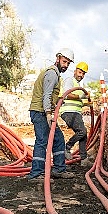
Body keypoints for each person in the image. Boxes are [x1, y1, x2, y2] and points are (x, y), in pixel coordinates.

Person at [27, 48, 76, 180]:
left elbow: (50, 96)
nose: (65, 65)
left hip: (44, 111)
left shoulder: (56, 75)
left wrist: (58, 102)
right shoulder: (52, 73)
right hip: (40, 112)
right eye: (64, 61)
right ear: (58, 58)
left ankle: (59, 169)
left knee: (58, 139)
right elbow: (47, 95)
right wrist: (49, 113)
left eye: (68, 63)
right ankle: (36, 173)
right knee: (42, 141)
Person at [60, 61, 92, 167]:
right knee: (82, 131)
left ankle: (84, 159)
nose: (81, 75)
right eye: (80, 72)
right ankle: (67, 147)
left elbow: (78, 102)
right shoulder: (70, 80)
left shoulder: (78, 86)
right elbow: (68, 94)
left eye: (83, 74)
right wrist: (82, 96)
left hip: (76, 112)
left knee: (83, 135)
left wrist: (87, 103)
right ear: (75, 71)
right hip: (68, 112)